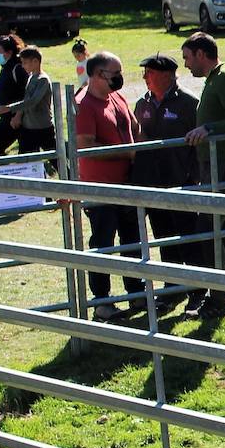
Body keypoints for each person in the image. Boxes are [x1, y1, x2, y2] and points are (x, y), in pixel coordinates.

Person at [181, 32, 225, 319]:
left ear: (201, 54)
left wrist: (208, 129)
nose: (186, 64)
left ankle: (218, 300)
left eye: (187, 57)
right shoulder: (215, 78)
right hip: (213, 163)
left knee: (208, 230)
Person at [73, 51, 143, 320]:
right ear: (97, 75)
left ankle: (136, 294)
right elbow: (86, 146)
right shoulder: (84, 105)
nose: (119, 79)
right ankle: (102, 301)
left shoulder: (117, 97)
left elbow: (134, 128)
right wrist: (128, 152)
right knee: (103, 243)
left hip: (127, 184)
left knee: (132, 241)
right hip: (100, 188)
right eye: (114, 74)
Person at [130, 53, 203, 311]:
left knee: (188, 238)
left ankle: (197, 290)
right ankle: (172, 287)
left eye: (148, 73)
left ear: (165, 75)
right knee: (164, 237)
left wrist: (194, 177)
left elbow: (200, 146)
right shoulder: (143, 104)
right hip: (153, 183)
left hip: (181, 181)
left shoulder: (188, 103)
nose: (144, 78)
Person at [0, 33, 29, 157]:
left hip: (15, 119)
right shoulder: (5, 67)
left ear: (9, 52)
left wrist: (17, 116)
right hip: (6, 118)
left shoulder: (18, 69)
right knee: (27, 154)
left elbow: (27, 94)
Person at [13, 47, 57, 161]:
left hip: (43, 128)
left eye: (25, 63)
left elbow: (32, 101)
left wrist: (10, 108)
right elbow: (26, 98)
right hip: (29, 128)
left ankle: (69, 178)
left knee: (56, 160)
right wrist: (18, 115)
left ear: (36, 62)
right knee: (26, 162)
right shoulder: (31, 77)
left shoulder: (43, 80)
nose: (23, 66)